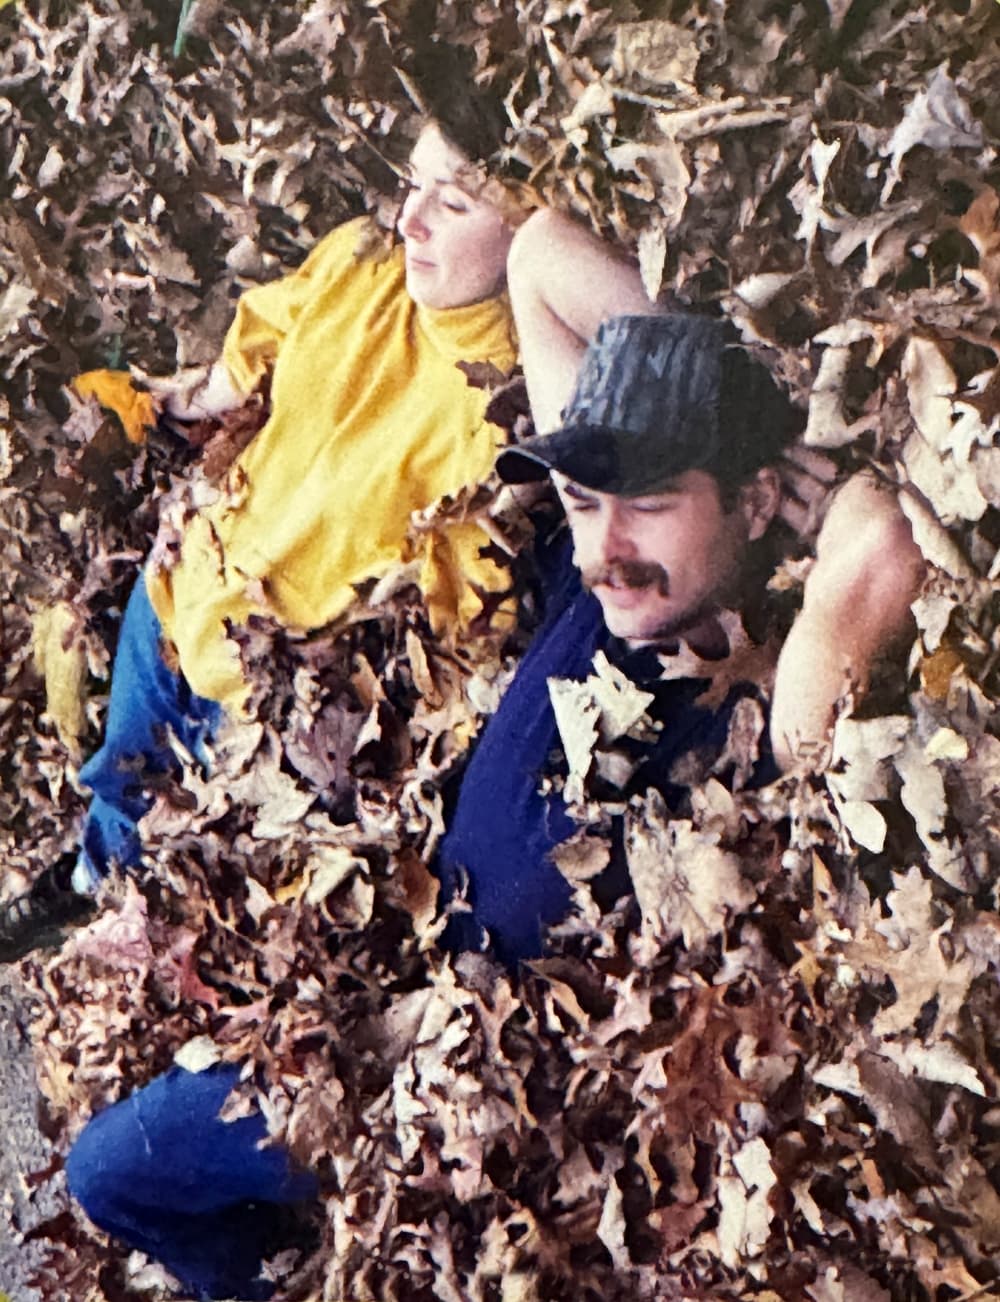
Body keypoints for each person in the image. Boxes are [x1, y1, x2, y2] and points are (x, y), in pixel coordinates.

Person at [63, 310, 926, 1299]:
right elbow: (539, 264)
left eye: (648, 501)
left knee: (108, 1171)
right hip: (384, 1018)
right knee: (119, 1174)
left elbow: (885, 550)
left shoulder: (752, 712)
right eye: (584, 499)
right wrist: (688, 469)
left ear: (756, 497)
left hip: (494, 1130)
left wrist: (822, 478)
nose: (608, 541)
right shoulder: (595, 588)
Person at [0, 75, 528, 962]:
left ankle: (125, 910)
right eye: (413, 185)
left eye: (457, 203)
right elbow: (254, 348)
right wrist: (174, 410)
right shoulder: (364, 267)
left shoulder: (505, 403)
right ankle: (87, 873)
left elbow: (456, 630)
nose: (413, 222)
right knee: (124, 758)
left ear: (528, 235)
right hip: (185, 586)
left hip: (266, 682)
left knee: (179, 835)